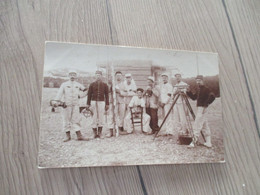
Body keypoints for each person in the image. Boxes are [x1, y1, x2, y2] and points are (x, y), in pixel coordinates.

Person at [54, 70, 88, 142]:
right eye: (71, 74)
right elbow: (59, 94)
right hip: (66, 105)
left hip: (75, 105)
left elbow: (85, 91)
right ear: (68, 76)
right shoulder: (64, 84)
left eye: (74, 75)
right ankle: (67, 136)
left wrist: (80, 95)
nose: (72, 76)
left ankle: (79, 136)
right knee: (66, 120)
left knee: (76, 119)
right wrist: (56, 102)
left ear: (76, 76)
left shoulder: (78, 85)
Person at [186, 75, 215, 148]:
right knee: (205, 125)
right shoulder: (198, 89)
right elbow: (194, 98)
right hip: (199, 108)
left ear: (202, 81)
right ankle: (208, 142)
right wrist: (188, 92)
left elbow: (212, 96)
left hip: (203, 108)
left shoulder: (206, 89)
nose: (198, 82)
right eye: (197, 80)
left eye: (199, 80)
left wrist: (206, 104)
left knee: (197, 124)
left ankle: (193, 142)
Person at [86, 70, 109, 139]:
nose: (98, 76)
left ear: (101, 76)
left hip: (102, 102)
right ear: (95, 76)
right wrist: (88, 103)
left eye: (99, 75)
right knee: (94, 117)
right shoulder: (92, 84)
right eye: (97, 75)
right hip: (93, 102)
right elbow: (89, 94)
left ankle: (100, 133)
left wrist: (107, 104)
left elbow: (107, 95)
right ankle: (94, 133)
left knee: (101, 117)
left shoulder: (105, 85)